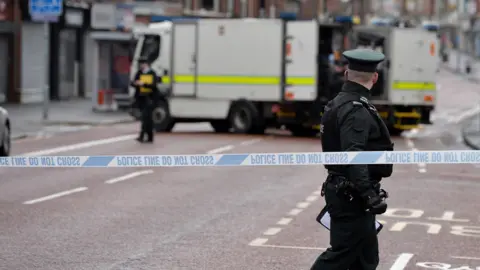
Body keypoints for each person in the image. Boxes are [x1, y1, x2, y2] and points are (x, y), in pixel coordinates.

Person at [311, 48, 394, 270]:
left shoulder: (341, 102)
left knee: (366, 259)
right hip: (352, 195)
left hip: (349, 192)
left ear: (347, 74)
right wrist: (368, 195)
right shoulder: (355, 109)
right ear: (375, 77)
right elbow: (354, 155)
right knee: (340, 256)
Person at [131, 57, 160, 143]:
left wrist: (144, 84)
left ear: (146, 64)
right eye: (140, 63)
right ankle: (150, 137)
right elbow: (133, 82)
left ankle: (142, 136)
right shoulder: (139, 73)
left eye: (142, 63)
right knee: (147, 118)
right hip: (141, 98)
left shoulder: (152, 73)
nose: (141, 65)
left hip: (150, 98)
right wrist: (135, 83)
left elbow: (154, 85)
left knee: (145, 117)